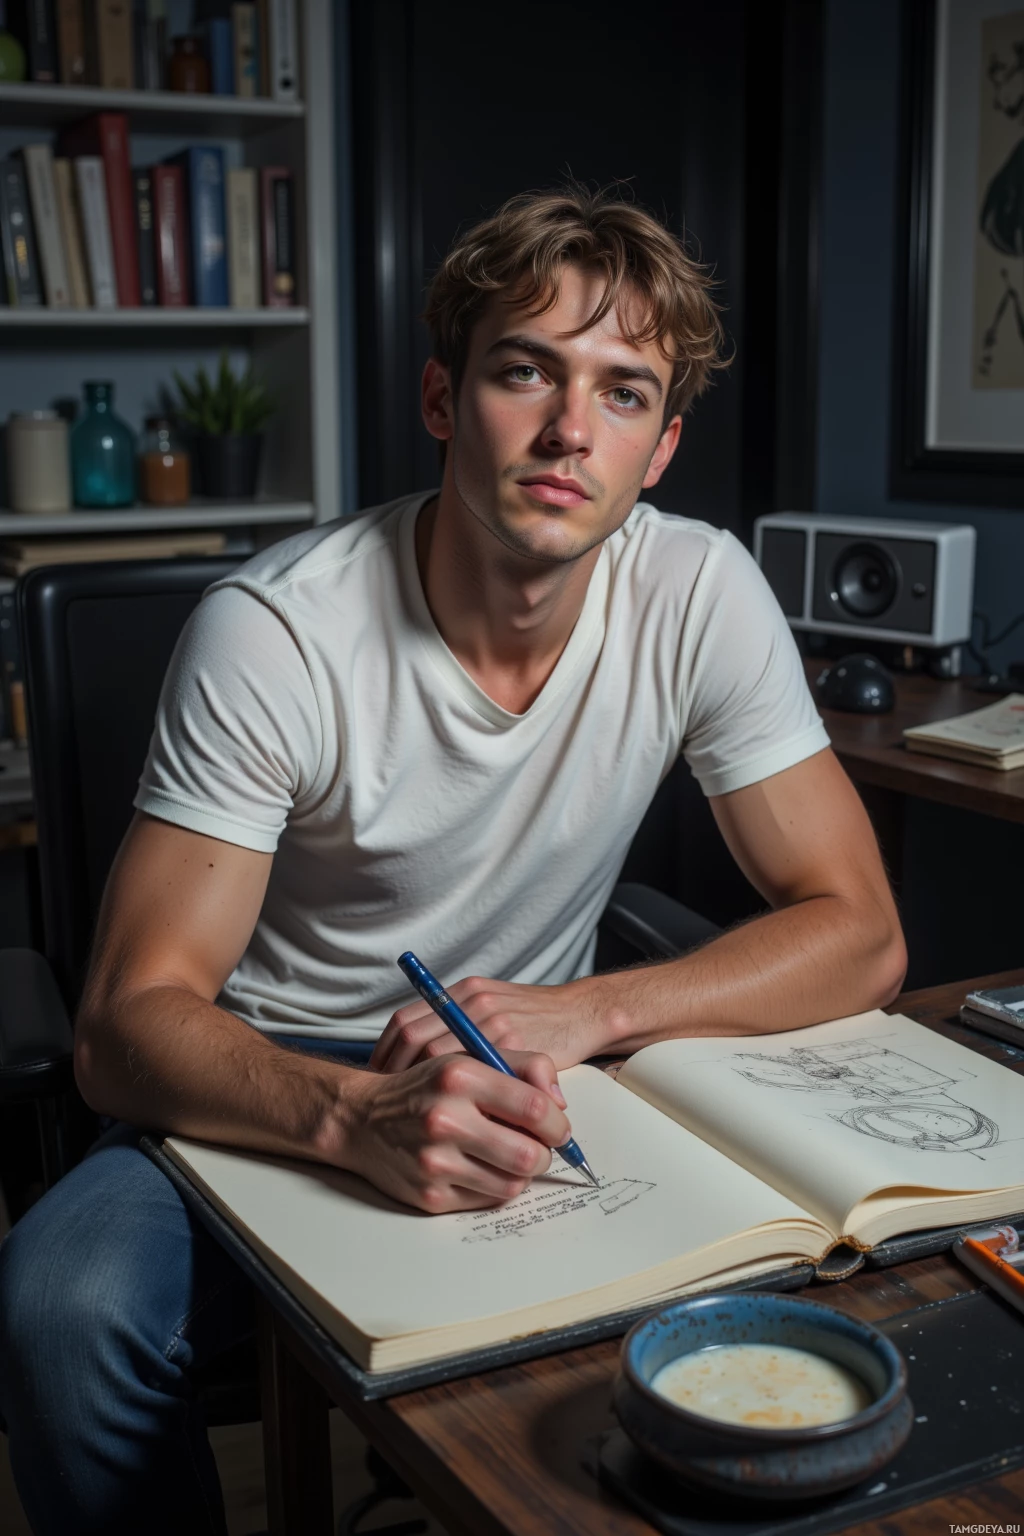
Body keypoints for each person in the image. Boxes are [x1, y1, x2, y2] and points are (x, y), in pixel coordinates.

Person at [0, 185, 906, 1534]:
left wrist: (595, 1008)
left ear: (659, 450)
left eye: (622, 392)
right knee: (59, 1307)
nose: (566, 431)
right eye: (524, 371)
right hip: (264, 1103)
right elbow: (124, 1030)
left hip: (536, 1092)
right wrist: (342, 1114)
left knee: (828, 1287)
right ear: (442, 398)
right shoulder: (277, 635)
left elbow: (864, 935)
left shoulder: (700, 591)